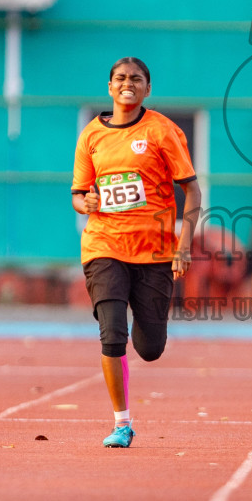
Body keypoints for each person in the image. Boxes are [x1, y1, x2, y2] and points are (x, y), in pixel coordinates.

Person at [72, 57, 201, 449]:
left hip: (155, 252)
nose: (128, 84)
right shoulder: (91, 135)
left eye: (136, 79)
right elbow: (78, 194)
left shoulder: (163, 130)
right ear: (109, 86)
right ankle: (121, 423)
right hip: (104, 245)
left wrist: (184, 247)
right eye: (121, 78)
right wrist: (87, 203)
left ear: (147, 88)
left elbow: (192, 191)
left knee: (149, 349)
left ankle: (149, 334)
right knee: (112, 336)